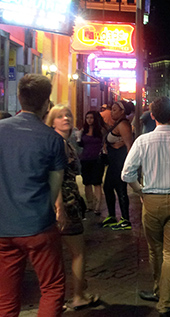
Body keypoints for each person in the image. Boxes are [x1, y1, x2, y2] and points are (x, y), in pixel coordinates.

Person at [122, 96, 170, 317]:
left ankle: (162, 294)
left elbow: (127, 174)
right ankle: (165, 298)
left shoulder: (143, 141)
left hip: (152, 199)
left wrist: (140, 191)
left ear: (153, 115)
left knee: (155, 249)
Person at [0, 74, 66, 316]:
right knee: (51, 287)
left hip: (3, 227)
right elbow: (54, 188)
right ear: (46, 104)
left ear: (19, 98)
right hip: (38, 225)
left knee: (5, 296)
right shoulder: (52, 139)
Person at [47, 105, 100, 310]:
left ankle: (59, 297)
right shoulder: (57, 143)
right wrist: (59, 205)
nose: (65, 118)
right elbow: (54, 177)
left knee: (58, 253)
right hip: (65, 204)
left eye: (68, 114)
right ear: (52, 122)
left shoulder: (64, 142)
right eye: (59, 116)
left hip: (68, 201)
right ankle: (77, 296)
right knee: (77, 252)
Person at [102, 100, 134, 230]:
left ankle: (125, 219)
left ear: (122, 111)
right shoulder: (118, 123)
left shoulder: (123, 125)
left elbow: (129, 146)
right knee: (108, 187)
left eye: (115, 110)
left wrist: (129, 165)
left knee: (120, 189)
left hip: (119, 162)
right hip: (114, 161)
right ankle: (112, 215)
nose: (112, 112)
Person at [79, 110, 107, 215]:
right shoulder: (83, 130)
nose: (89, 120)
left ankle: (97, 206)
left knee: (97, 182)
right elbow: (80, 144)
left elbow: (105, 142)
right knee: (86, 182)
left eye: (91, 118)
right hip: (85, 159)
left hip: (97, 159)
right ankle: (90, 205)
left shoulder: (101, 130)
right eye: (87, 118)